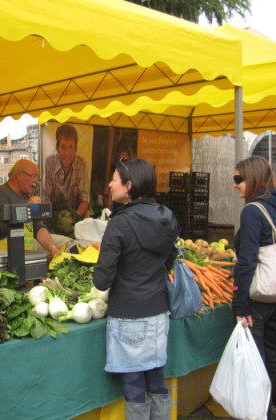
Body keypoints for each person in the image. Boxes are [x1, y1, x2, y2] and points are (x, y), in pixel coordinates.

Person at [93, 158, 179, 420]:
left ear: (128, 186)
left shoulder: (119, 223)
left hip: (128, 317)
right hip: (158, 314)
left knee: (133, 386)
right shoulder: (167, 217)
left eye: (114, 180)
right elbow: (169, 260)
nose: (109, 184)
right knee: (156, 381)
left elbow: (102, 281)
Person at [233, 156, 276, 420]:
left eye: (238, 179)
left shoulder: (252, 210)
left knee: (255, 360)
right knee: (272, 352)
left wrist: (241, 304)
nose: (235, 185)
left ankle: (260, 413)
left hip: (259, 295)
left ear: (253, 179)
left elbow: (246, 261)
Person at [0, 159, 67, 256]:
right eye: (33, 176)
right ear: (19, 175)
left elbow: (38, 228)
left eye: (38, 178)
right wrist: (26, 209)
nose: (36, 181)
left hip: (20, 257)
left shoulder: (27, 198)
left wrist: (53, 248)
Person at [43, 124, 90, 219]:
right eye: (63, 147)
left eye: (70, 147)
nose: (67, 153)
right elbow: (46, 196)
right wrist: (51, 219)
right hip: (54, 216)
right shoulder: (49, 162)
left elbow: (85, 199)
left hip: (76, 215)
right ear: (57, 148)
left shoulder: (81, 164)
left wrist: (72, 218)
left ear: (76, 148)